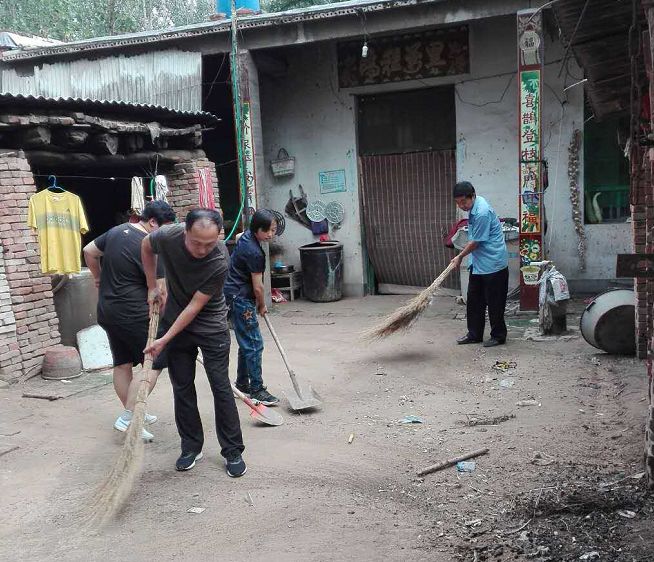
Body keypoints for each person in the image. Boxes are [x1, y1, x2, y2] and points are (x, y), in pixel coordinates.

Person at [142, 209, 246, 477]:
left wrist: (164, 338)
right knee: (182, 386)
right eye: (196, 242)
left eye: (209, 244)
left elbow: (194, 307)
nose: (202, 249)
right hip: (176, 321)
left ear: (218, 237)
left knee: (220, 386)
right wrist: (152, 284)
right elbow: (145, 245)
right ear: (184, 231)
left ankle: (232, 450)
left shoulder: (219, 260)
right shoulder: (168, 235)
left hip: (210, 327)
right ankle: (191, 446)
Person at [83, 200, 176, 441]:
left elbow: (89, 251)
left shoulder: (115, 232)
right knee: (153, 364)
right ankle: (128, 418)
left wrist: (98, 278)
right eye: (164, 227)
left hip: (107, 311)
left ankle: (135, 414)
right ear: (153, 222)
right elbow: (161, 292)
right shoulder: (153, 246)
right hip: (134, 313)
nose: (165, 233)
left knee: (123, 363)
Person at [223, 210, 279, 406]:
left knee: (246, 343)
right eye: (269, 230)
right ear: (258, 229)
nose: (272, 234)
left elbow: (238, 235)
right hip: (241, 298)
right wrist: (262, 305)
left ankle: (242, 383)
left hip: (233, 294)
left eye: (274, 230)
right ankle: (256, 389)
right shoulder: (255, 253)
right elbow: (258, 286)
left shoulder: (245, 236)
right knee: (255, 344)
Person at [450, 181, 509, 348]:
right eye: (458, 202)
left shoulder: (482, 212)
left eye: (464, 202)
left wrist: (460, 256)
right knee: (475, 301)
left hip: (493, 264)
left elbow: (476, 242)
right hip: (479, 264)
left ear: (473, 196)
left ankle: (498, 336)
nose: (461, 206)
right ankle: (474, 334)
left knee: (495, 303)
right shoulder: (474, 208)